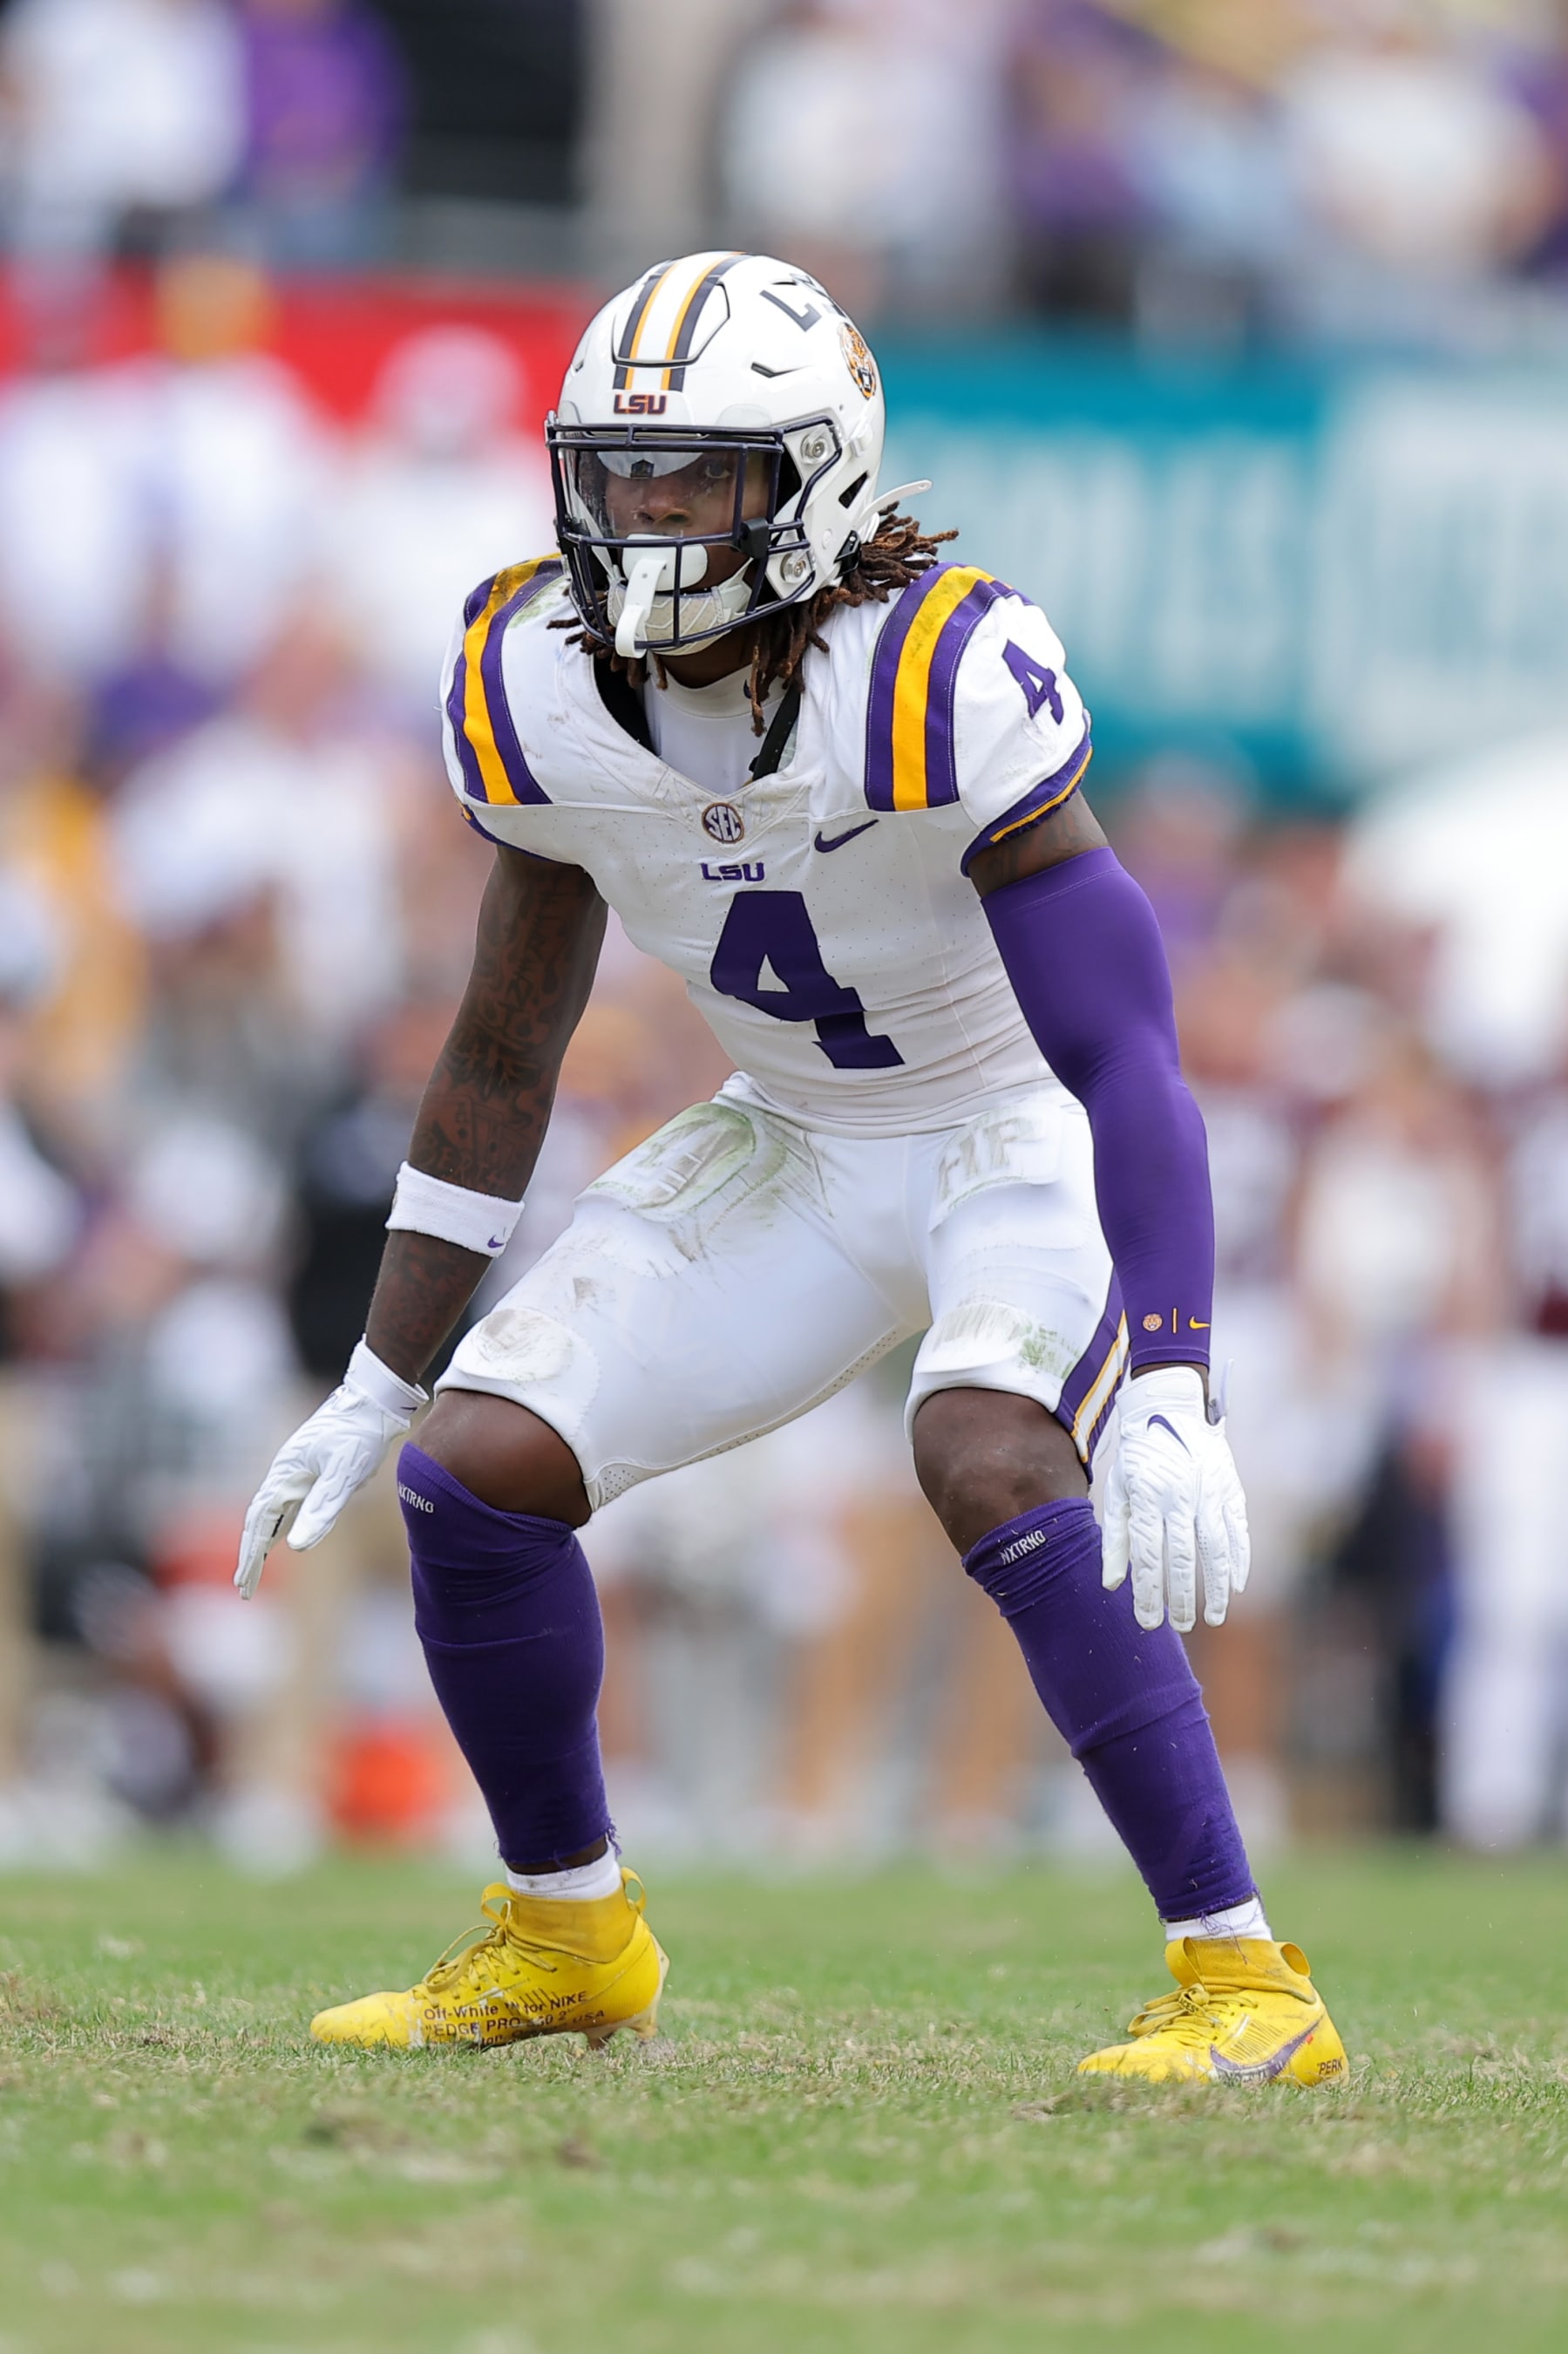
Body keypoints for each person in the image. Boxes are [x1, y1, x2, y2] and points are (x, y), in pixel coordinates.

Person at [235, 252, 1345, 2086]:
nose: (648, 514)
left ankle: (1248, 1983)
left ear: (814, 480)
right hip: (802, 1133)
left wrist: (1168, 1374)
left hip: (1008, 1124)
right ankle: (566, 1932)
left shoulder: (932, 669)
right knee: (476, 1471)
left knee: (986, 1446)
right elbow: (506, 1045)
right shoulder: (538, 678)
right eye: (620, 471)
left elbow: (1126, 1054)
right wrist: (382, 1367)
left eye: (700, 475)